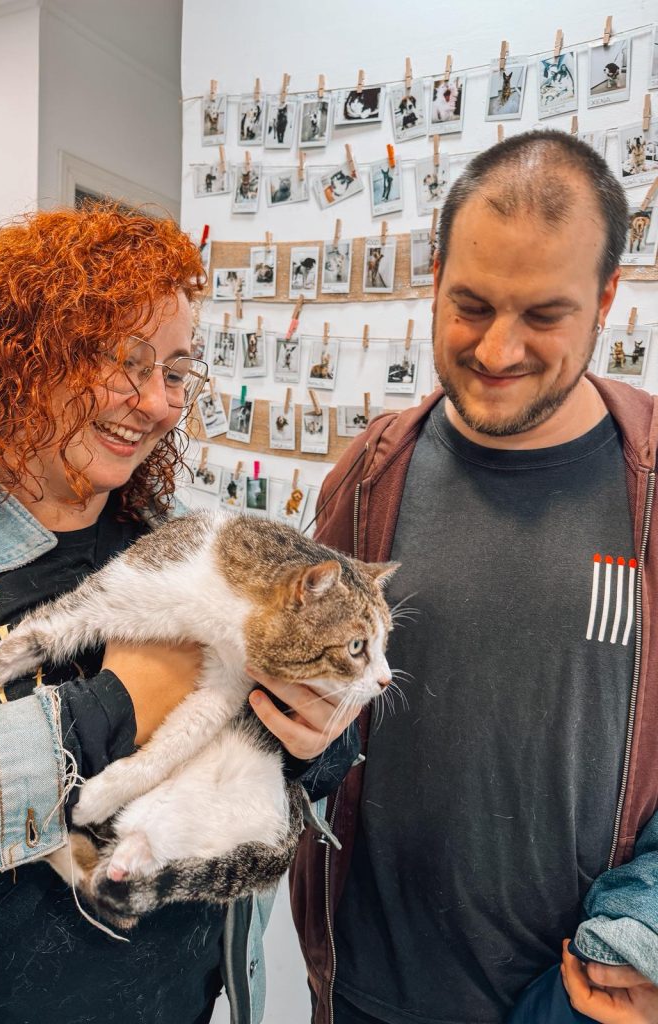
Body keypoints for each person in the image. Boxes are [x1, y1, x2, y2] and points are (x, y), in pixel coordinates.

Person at [0, 204, 357, 1024]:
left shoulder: (176, 541)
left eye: (175, 371)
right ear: (24, 355)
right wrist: (115, 703)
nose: (155, 401)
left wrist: (315, 742)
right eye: (125, 362)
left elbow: (264, 749)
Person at [291, 130, 658, 1024]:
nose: (497, 350)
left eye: (544, 315)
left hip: (577, 1004)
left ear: (607, 298)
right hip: (364, 992)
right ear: (435, 279)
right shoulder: (369, 476)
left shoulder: (649, 485)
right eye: (472, 305)